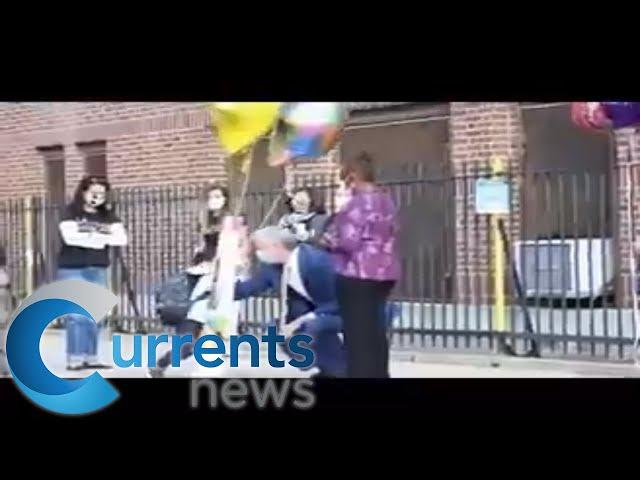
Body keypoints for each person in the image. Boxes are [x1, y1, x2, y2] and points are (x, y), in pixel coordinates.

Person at [320, 152, 400, 378]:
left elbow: (347, 241)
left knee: (357, 335)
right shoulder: (386, 201)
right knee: (375, 331)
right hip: (384, 272)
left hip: (357, 273)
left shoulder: (355, 205)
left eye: (346, 179)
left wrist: (327, 240)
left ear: (352, 177)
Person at [57, 175, 128, 371]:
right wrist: (102, 237)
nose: (97, 197)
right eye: (93, 192)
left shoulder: (108, 215)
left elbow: (121, 238)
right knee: (77, 316)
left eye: (102, 193)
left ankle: (91, 357)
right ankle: (74, 358)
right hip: (73, 268)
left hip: (98, 268)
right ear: (83, 192)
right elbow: (71, 238)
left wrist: (89, 236)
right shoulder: (70, 212)